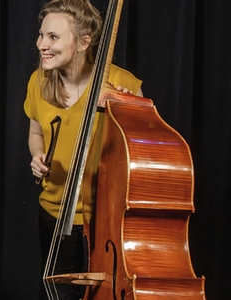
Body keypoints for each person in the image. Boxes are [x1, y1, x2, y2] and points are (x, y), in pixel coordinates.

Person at [24, 0, 143, 299]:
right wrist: (37, 156)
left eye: (53, 37)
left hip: (105, 219)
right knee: (56, 293)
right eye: (41, 35)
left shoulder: (120, 83)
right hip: (53, 211)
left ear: (83, 42)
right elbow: (36, 132)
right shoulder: (38, 81)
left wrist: (131, 109)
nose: (42, 45)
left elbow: (142, 153)